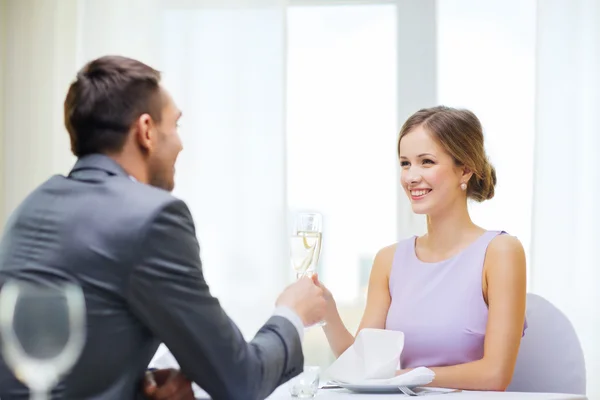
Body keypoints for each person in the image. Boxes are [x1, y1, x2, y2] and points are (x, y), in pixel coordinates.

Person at [0, 55, 326, 400]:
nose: (181, 144)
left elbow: (61, 363)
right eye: (176, 126)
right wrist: (291, 314)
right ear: (146, 131)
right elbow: (240, 380)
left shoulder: (30, 207)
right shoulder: (153, 217)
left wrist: (145, 385)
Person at [319, 106, 527, 391]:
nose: (410, 177)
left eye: (426, 162)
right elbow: (364, 367)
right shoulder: (388, 260)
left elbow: (495, 375)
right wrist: (327, 314)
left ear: (465, 169)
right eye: (405, 163)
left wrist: (405, 376)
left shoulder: (500, 252)